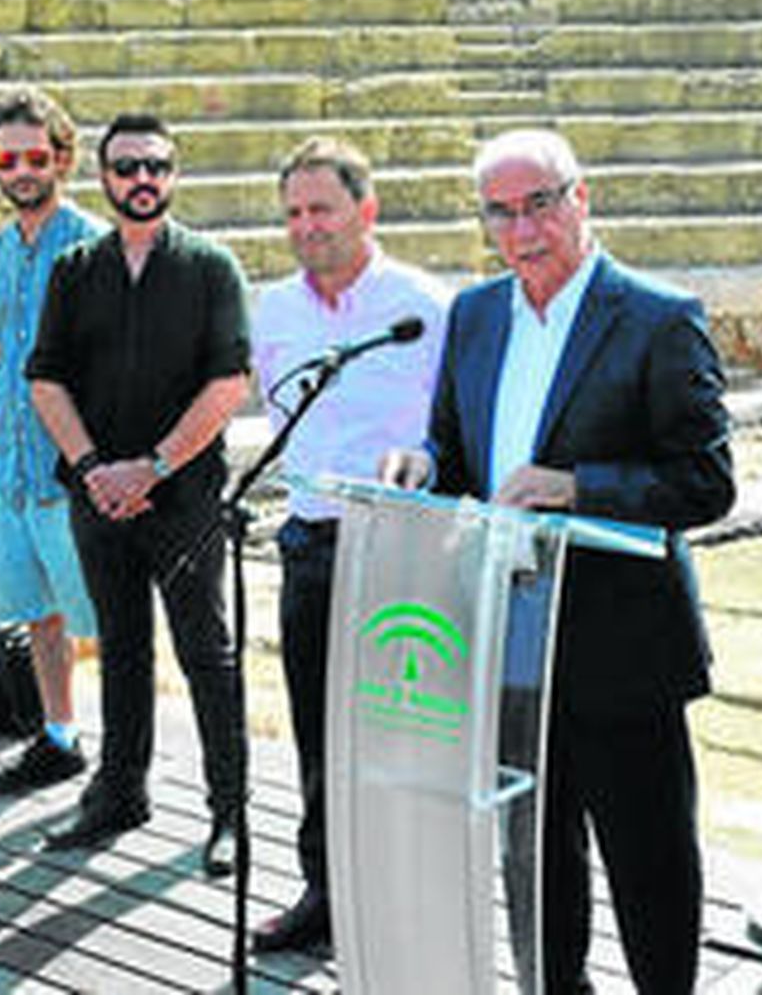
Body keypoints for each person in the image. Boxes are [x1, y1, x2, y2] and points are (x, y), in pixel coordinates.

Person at [381, 128, 735, 993]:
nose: (521, 229)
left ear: (582, 199)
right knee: (535, 853)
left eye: (539, 204)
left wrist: (578, 486)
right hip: (508, 635)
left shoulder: (658, 316)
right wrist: (426, 463)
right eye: (499, 212)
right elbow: (462, 449)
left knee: (649, 864)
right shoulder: (472, 313)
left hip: (623, 646)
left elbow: (706, 483)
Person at [27, 113, 251, 878]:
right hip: (97, 495)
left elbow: (229, 383)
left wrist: (150, 468)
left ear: (174, 174)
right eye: (127, 167)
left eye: (156, 165)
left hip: (181, 498)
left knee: (206, 653)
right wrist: (95, 469)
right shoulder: (74, 269)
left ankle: (231, 812)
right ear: (104, 178)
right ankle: (120, 791)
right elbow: (44, 377)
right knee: (120, 646)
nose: (142, 179)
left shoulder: (211, 267)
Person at [250, 136, 449, 954]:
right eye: (294, 212)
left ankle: (408, 902)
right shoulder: (275, 309)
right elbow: (275, 404)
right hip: (310, 541)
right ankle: (326, 892)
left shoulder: (428, 306)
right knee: (318, 734)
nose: (307, 226)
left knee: (405, 731)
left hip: (403, 546)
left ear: (366, 211)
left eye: (323, 208)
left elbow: (454, 426)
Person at [0, 88, 105, 795]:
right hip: (8, 467)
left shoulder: (92, 244)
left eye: (37, 155)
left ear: (61, 157)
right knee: (41, 618)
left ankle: (128, 755)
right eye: (7, 156)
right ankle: (60, 736)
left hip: (70, 470)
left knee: (109, 619)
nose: (22, 168)